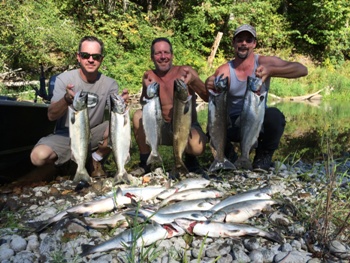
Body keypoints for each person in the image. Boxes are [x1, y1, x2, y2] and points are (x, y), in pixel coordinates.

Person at [205, 24, 308, 172]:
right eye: (240, 40)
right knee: (213, 124)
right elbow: (210, 98)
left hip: (256, 122)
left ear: (254, 43)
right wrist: (208, 84)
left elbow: (302, 70)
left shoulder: (264, 62)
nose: (244, 43)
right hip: (233, 124)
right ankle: (229, 158)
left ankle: (262, 158)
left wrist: (272, 70)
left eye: (248, 40)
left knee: (275, 116)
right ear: (234, 43)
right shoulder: (225, 70)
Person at [30, 36, 129, 178]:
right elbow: (51, 115)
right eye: (85, 55)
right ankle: (62, 168)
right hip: (67, 134)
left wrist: (122, 105)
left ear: (101, 59)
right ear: (78, 57)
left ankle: (95, 159)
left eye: (96, 56)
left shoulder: (110, 84)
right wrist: (66, 99)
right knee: (38, 156)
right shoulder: (64, 79)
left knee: (119, 126)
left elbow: (116, 116)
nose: (90, 60)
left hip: (94, 133)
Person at [132, 37, 209, 176]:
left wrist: (195, 81)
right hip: (160, 127)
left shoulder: (185, 72)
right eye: (158, 53)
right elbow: (144, 104)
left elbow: (207, 97)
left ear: (172, 55)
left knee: (197, 147)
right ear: (152, 57)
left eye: (166, 53)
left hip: (186, 126)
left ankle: (189, 161)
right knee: (138, 115)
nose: (163, 57)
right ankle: (146, 162)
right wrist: (145, 88)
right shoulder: (149, 76)